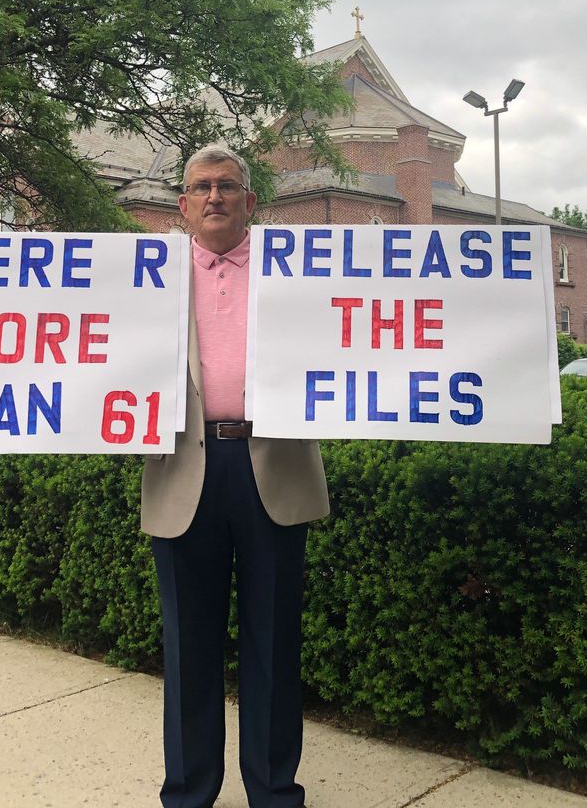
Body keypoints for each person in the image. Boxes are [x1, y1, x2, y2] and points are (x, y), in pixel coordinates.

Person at [140, 144, 330, 808]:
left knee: (273, 646)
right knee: (188, 651)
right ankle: (188, 795)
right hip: (181, 468)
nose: (215, 197)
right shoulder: (147, 276)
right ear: (183, 205)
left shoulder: (298, 272)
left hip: (273, 465)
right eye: (201, 188)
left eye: (228, 186)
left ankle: (275, 794)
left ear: (251, 203)